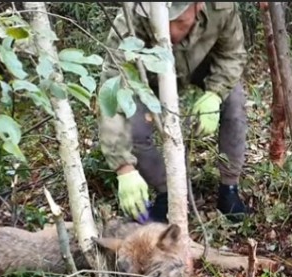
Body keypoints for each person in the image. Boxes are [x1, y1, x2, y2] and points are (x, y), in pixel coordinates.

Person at [97, 2, 252, 223]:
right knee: (136, 129)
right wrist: (123, 168)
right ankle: (168, 193)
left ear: (199, 6)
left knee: (234, 102)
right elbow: (112, 87)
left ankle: (229, 189)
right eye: (161, 22)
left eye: (178, 21)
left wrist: (215, 94)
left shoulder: (221, 7)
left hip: (200, 64)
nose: (168, 32)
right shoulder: (133, 15)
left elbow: (233, 54)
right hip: (148, 74)